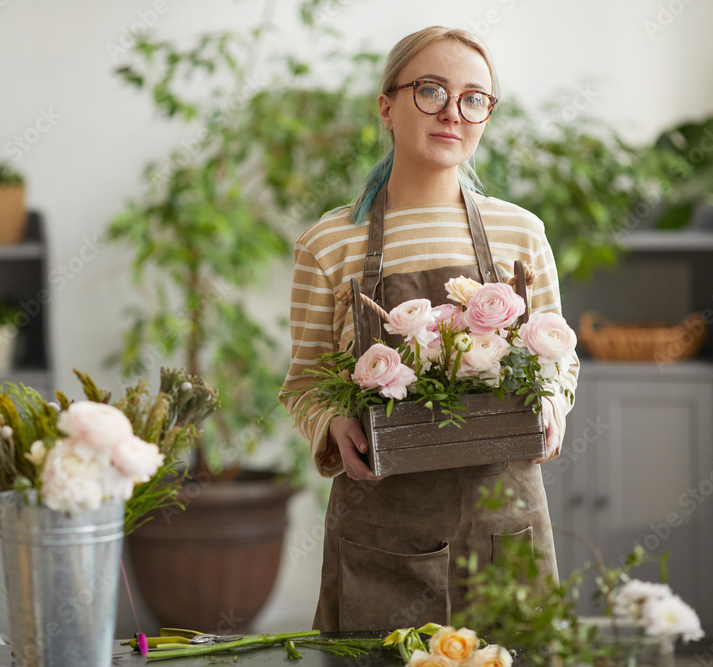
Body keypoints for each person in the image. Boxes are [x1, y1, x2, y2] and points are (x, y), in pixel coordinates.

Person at [278, 26, 579, 632]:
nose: (453, 112)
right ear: (387, 107)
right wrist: (333, 424)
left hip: (506, 526)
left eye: (474, 98)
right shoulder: (329, 243)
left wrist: (553, 402)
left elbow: (561, 359)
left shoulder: (520, 232)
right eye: (431, 90)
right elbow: (304, 381)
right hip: (381, 535)